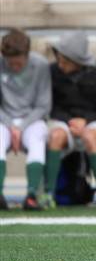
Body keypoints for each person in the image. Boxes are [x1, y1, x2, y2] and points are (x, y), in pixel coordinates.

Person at [43, 31, 96, 209]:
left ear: (78, 60)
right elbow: (50, 106)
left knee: (90, 137)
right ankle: (48, 193)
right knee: (56, 136)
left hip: (95, 122)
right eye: (59, 59)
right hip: (63, 121)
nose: (60, 64)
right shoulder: (52, 71)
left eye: (65, 61)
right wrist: (70, 121)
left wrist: (86, 121)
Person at [0, 29, 51, 210]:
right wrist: (11, 125)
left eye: (19, 62)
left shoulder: (41, 65)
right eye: (10, 63)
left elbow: (43, 105)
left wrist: (20, 127)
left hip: (32, 119)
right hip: (4, 119)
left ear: (27, 55)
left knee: (37, 140)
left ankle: (31, 195)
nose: (15, 66)